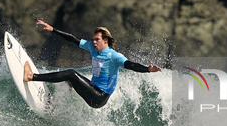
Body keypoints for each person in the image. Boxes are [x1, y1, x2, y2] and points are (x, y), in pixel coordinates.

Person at [24, 20, 161, 109]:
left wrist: (147, 69)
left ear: (105, 40)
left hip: (99, 97)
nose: (94, 42)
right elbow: (72, 39)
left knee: (71, 74)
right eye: (93, 39)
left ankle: (32, 76)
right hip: (93, 89)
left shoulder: (114, 56)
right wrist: (53, 29)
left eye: (97, 40)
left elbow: (130, 65)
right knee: (69, 81)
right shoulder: (91, 47)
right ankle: (53, 106)